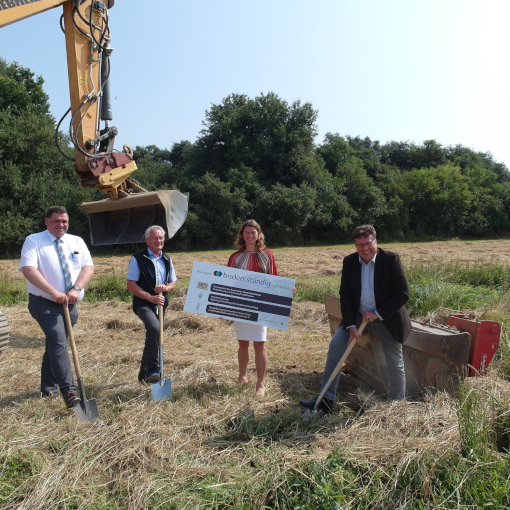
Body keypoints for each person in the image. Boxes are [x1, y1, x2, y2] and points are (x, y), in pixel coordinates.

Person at [300, 224, 411, 413]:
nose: (365, 249)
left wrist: (377, 313)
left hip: (387, 319)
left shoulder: (391, 259)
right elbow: (346, 296)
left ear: (375, 242)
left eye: (368, 243)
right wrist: (351, 324)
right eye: (360, 245)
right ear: (355, 245)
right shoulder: (349, 262)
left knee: (394, 362)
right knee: (336, 345)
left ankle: (397, 408)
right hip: (358, 318)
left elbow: (402, 294)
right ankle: (326, 400)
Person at [19, 206, 94, 409]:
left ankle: (47, 387)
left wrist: (77, 288)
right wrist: (53, 292)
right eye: (56, 221)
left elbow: (88, 267)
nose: (61, 225)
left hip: (70, 304)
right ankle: (69, 391)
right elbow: (28, 269)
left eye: (64, 221)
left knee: (55, 343)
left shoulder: (76, 241)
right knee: (58, 339)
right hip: (43, 302)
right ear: (46, 221)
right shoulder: (34, 240)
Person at [227, 219, 286, 397]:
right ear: (242, 235)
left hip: (261, 304)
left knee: (259, 344)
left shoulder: (268, 255)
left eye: (253, 232)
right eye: (247, 233)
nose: (250, 236)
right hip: (241, 304)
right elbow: (228, 283)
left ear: (258, 234)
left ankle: (260, 384)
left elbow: (275, 278)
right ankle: (242, 376)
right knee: (243, 343)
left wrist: (285, 290)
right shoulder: (235, 257)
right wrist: (222, 308)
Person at [127, 225, 176, 384]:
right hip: (143, 303)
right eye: (155, 237)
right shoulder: (138, 258)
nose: (159, 240)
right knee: (154, 328)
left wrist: (166, 288)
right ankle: (154, 369)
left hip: (161, 304)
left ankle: (144, 375)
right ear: (147, 240)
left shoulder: (167, 259)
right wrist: (149, 297)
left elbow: (173, 282)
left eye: (161, 237)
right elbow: (131, 285)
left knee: (155, 335)